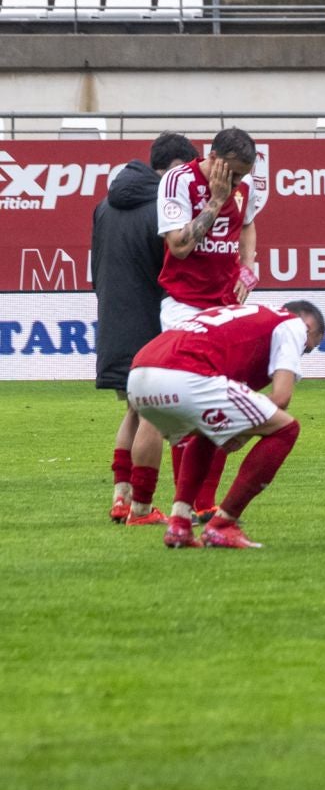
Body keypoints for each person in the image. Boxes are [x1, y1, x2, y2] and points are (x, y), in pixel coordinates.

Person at [126, 300, 325, 550]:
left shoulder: (246, 317)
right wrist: (244, 430)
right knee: (286, 428)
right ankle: (222, 525)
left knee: (210, 433)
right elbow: (282, 398)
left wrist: (239, 424)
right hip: (183, 375)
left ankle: (179, 524)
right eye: (307, 348)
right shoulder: (291, 324)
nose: (302, 352)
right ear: (307, 326)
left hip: (138, 378)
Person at [157, 127, 266, 518]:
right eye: (232, 174)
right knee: (185, 403)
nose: (237, 182)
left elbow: (249, 223)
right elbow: (180, 247)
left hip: (224, 308)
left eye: (242, 176)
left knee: (222, 403)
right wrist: (217, 201)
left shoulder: (246, 186)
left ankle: (204, 501)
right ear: (213, 156)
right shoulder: (178, 180)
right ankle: (182, 502)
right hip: (185, 306)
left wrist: (248, 268)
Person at [97, 132, 199, 526]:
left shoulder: (105, 205)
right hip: (151, 323)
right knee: (154, 413)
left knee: (134, 410)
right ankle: (140, 506)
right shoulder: (164, 205)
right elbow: (175, 267)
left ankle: (121, 498)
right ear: (176, 167)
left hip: (113, 322)